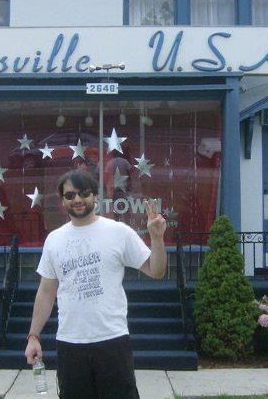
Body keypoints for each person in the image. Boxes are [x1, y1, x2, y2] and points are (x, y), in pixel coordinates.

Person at [25, 169, 167, 399]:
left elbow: (156, 270)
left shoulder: (118, 232)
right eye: (70, 195)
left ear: (95, 196)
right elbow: (46, 291)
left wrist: (157, 239)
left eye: (84, 193)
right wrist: (33, 336)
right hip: (70, 343)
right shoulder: (54, 240)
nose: (78, 199)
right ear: (63, 200)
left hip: (112, 341)